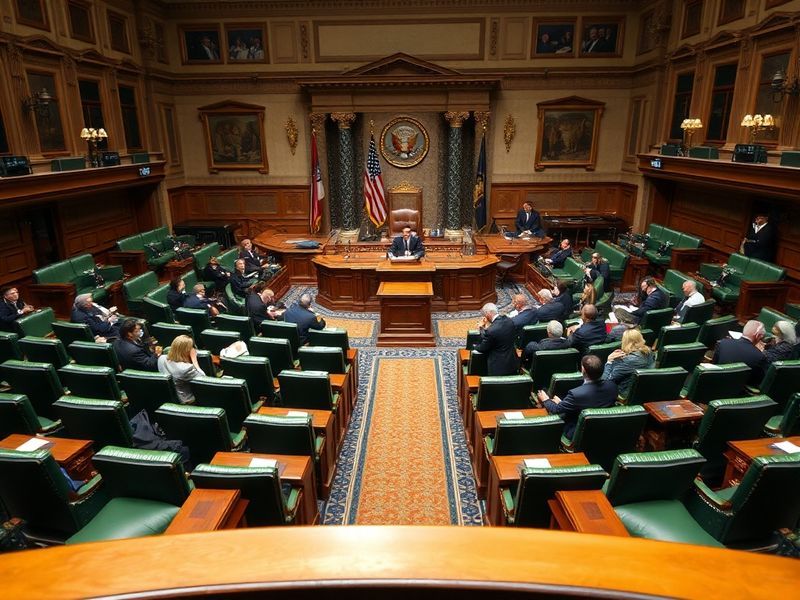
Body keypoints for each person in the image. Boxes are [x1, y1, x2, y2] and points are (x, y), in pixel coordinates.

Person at [537, 354, 618, 440]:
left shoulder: (576, 394)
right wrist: (563, 403)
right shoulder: (613, 386)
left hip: (579, 432)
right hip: (605, 429)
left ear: (583, 370)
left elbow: (556, 409)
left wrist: (546, 399)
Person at [712, 320, 768, 386]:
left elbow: (714, 365)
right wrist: (758, 352)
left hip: (715, 383)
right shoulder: (759, 356)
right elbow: (757, 381)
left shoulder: (723, 343)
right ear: (757, 335)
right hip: (738, 391)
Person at [602, 328, 655, 398]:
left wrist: (609, 361)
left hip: (624, 395)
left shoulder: (626, 361)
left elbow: (605, 382)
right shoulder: (649, 352)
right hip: (645, 391)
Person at [157, 335, 205, 404]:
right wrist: (194, 360)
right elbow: (203, 379)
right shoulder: (186, 368)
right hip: (186, 400)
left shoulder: (161, 358)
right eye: (191, 348)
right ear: (186, 351)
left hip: (168, 398)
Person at [474, 303, 518, 376]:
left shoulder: (491, 331)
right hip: (512, 362)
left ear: (488, 314)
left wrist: (481, 329)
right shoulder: (509, 321)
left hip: (498, 367)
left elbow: (483, 348)